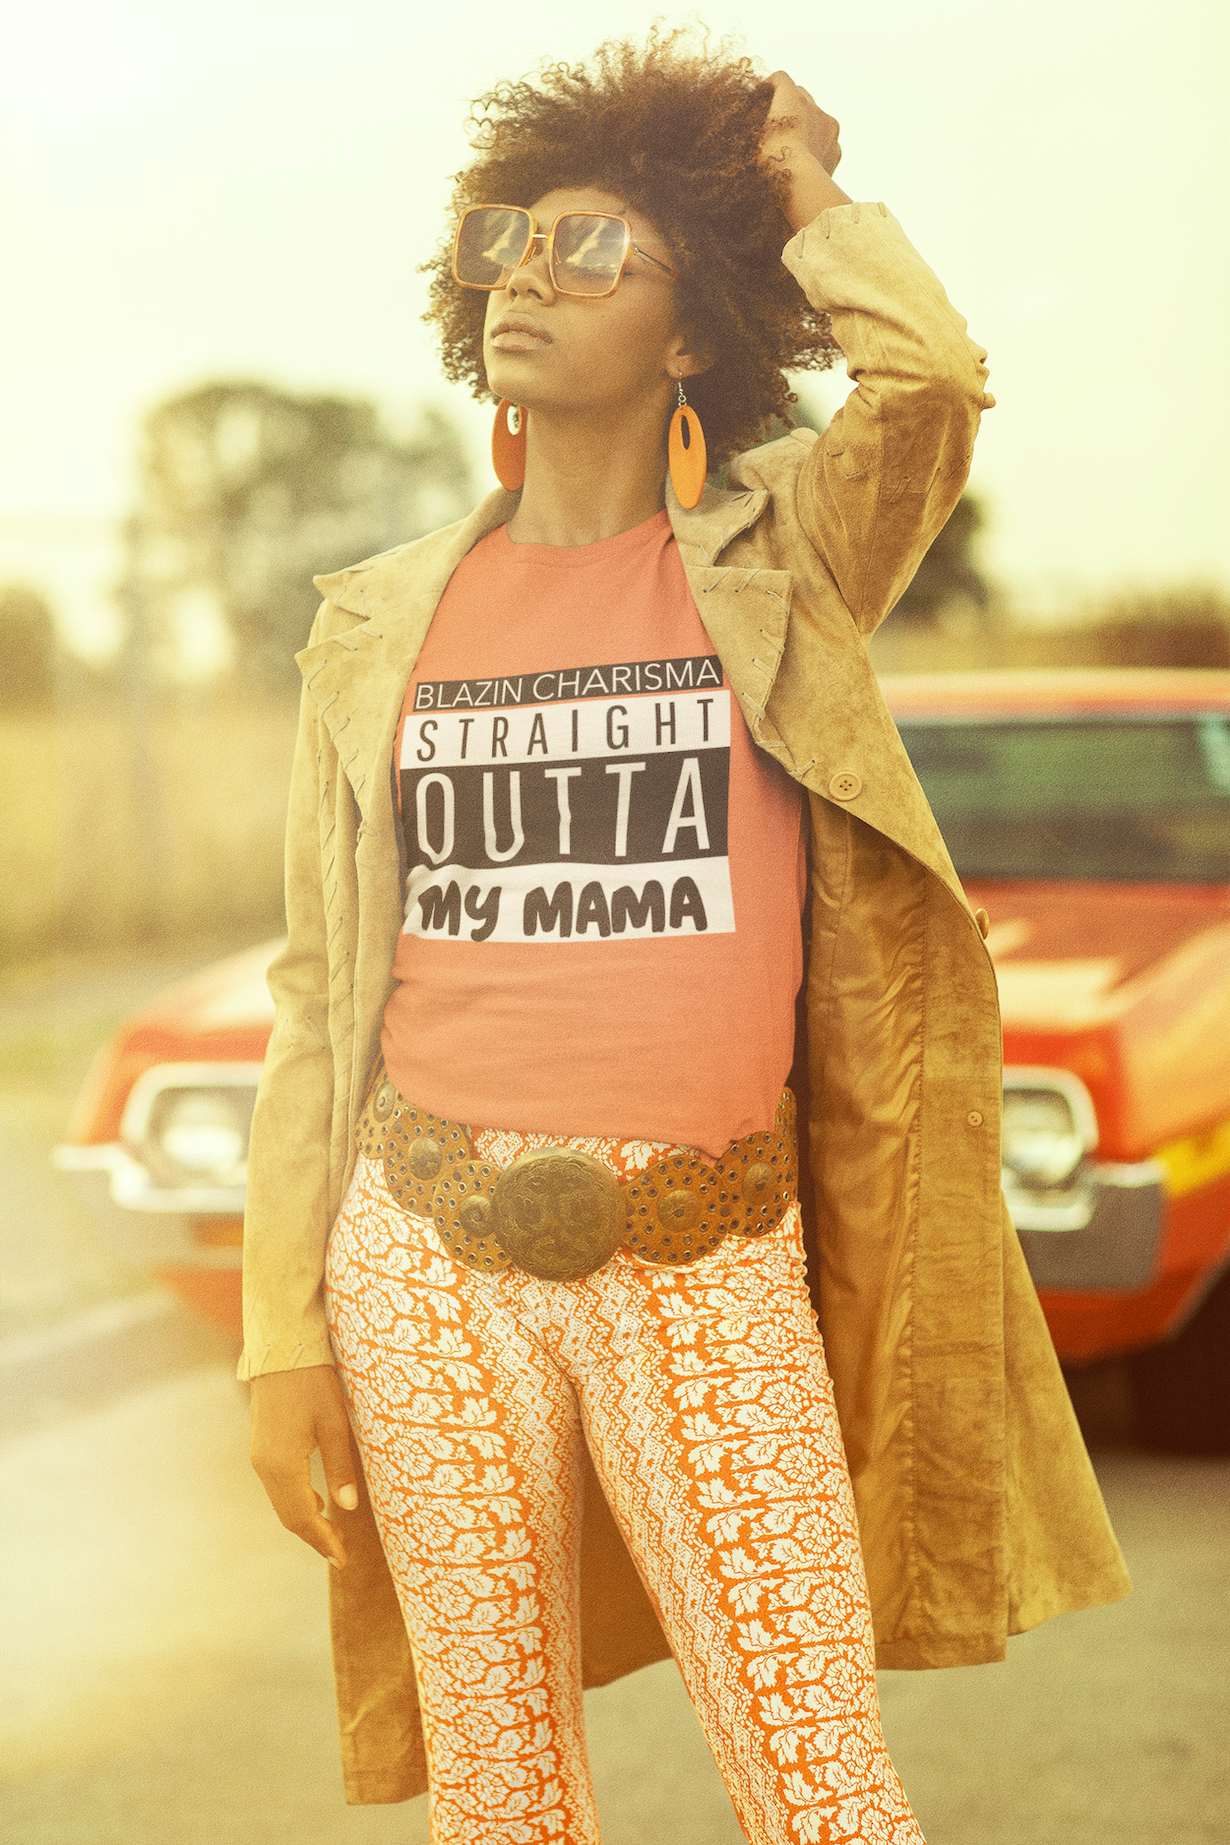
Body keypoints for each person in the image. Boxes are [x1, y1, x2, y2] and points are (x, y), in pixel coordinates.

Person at [243, 33, 1130, 1845]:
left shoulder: (778, 555)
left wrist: (809, 203)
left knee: (817, 1784)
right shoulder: (379, 620)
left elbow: (933, 384)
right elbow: (319, 993)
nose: (526, 281)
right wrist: (282, 1332)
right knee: (496, 1794)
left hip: (707, 1256)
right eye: (505, 241)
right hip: (419, 1258)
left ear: (694, 330)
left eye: (593, 252)